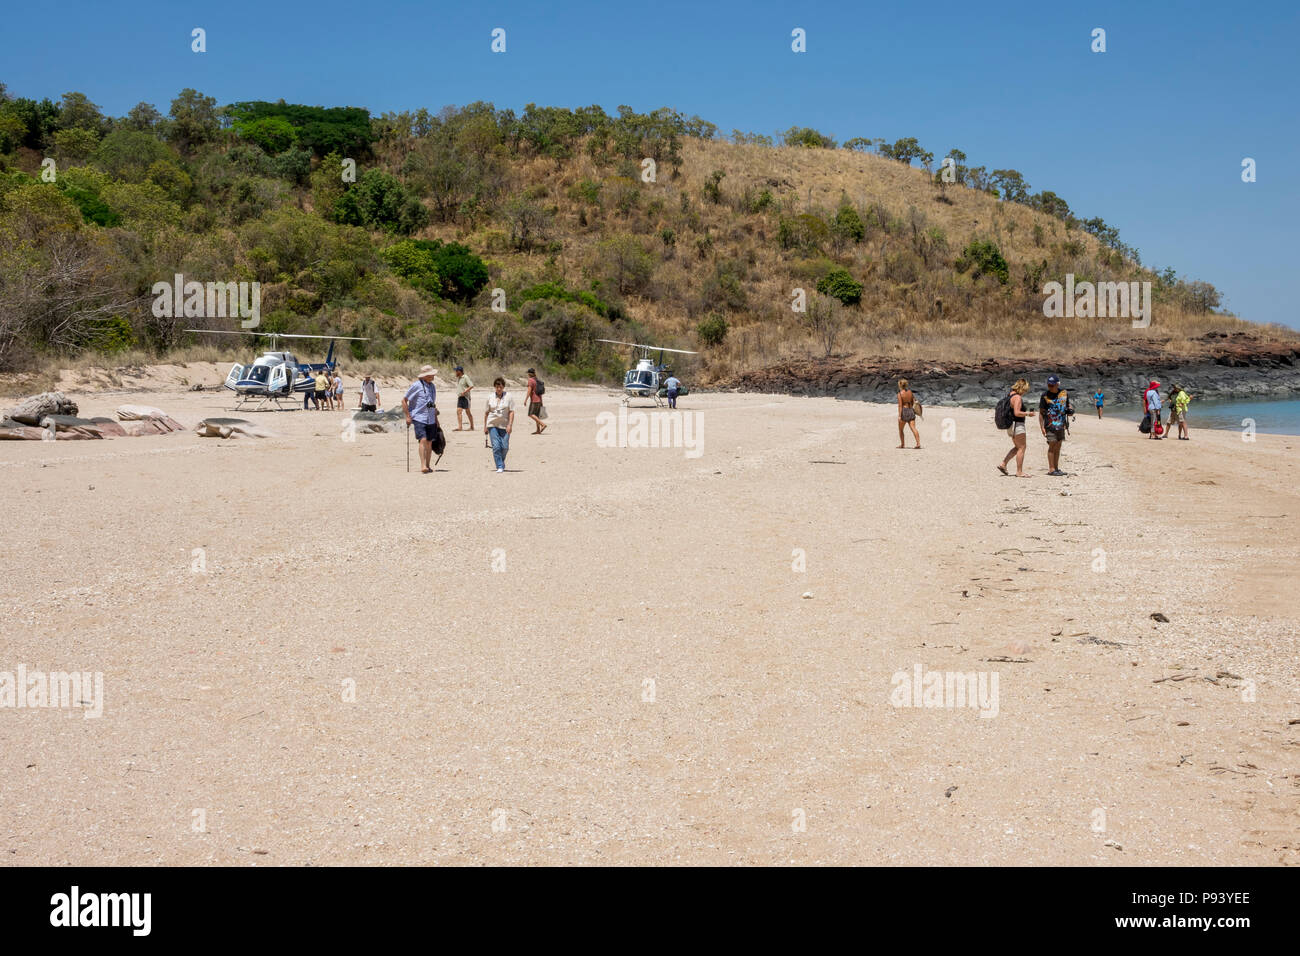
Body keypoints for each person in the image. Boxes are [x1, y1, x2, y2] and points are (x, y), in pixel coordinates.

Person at [403, 365, 440, 474]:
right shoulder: (416, 385)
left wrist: (436, 417)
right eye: (431, 374)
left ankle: (428, 466)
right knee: (423, 439)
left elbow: (431, 403)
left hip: (431, 418)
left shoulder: (432, 386)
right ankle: (423, 465)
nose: (433, 376)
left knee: (429, 442)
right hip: (419, 417)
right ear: (425, 376)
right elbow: (404, 400)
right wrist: (408, 416)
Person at [997, 379, 1035, 477]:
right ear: (1022, 388)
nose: (1025, 392)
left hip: (1011, 426)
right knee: (1022, 447)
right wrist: (1028, 414)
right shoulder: (1017, 397)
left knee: (1018, 447)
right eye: (1025, 390)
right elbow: (1017, 413)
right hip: (1017, 425)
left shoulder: (1010, 395)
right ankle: (1019, 472)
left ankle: (1003, 464)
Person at [1038, 374, 1072, 476]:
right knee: (1052, 446)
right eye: (1049, 385)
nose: (1050, 387)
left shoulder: (1064, 394)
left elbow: (1068, 406)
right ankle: (1051, 469)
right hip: (1050, 425)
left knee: (1058, 446)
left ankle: (1057, 468)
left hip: (1061, 425)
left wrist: (1070, 411)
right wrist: (1042, 427)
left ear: (1057, 384)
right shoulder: (1044, 395)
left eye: (1052, 385)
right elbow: (1041, 412)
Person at [483, 376, 515, 473]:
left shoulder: (509, 397)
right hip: (492, 424)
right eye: (497, 387)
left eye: (500, 387)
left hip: (505, 425)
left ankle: (500, 461)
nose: (499, 389)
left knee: (505, 447)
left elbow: (511, 412)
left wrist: (510, 425)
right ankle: (500, 466)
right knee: (496, 446)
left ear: (503, 387)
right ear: (495, 387)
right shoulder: (490, 397)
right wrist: (485, 426)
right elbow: (486, 413)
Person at [896, 378, 920, 449]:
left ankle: (902, 444)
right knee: (913, 428)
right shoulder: (910, 392)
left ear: (900, 385)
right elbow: (913, 402)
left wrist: (900, 416)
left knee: (901, 429)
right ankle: (918, 443)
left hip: (904, 411)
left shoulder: (900, 394)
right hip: (911, 410)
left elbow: (900, 405)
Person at [453, 366, 475, 431]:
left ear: (460, 371)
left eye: (456, 371)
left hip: (465, 397)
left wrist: (464, 392)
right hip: (460, 397)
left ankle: (472, 427)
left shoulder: (465, 377)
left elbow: (471, 386)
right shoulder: (459, 378)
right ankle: (460, 427)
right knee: (458, 411)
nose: (455, 372)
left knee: (468, 412)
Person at [526, 367, 546, 434]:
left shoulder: (530, 380)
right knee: (537, 415)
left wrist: (525, 400)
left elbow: (529, 391)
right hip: (540, 400)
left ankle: (542, 424)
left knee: (531, 414)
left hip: (534, 400)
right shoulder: (537, 380)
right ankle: (538, 430)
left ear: (529, 374)